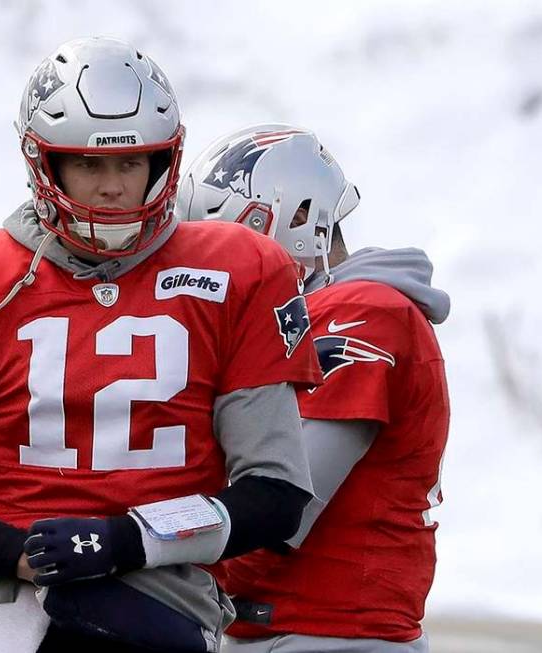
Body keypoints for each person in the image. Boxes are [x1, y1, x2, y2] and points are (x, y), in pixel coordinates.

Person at [0, 40, 323, 653]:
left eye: (131, 164)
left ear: (164, 160)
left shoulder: (241, 269)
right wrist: (24, 554)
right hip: (15, 596)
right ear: (43, 162)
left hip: (166, 592)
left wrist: (126, 537)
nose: (111, 188)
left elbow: (278, 491)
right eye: (88, 165)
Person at [178, 124, 451, 653]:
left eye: (234, 237)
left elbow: (286, 506)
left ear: (299, 217)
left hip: (331, 635)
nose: (219, 264)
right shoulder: (309, 318)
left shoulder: (363, 311)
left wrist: (152, 569)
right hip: (282, 630)